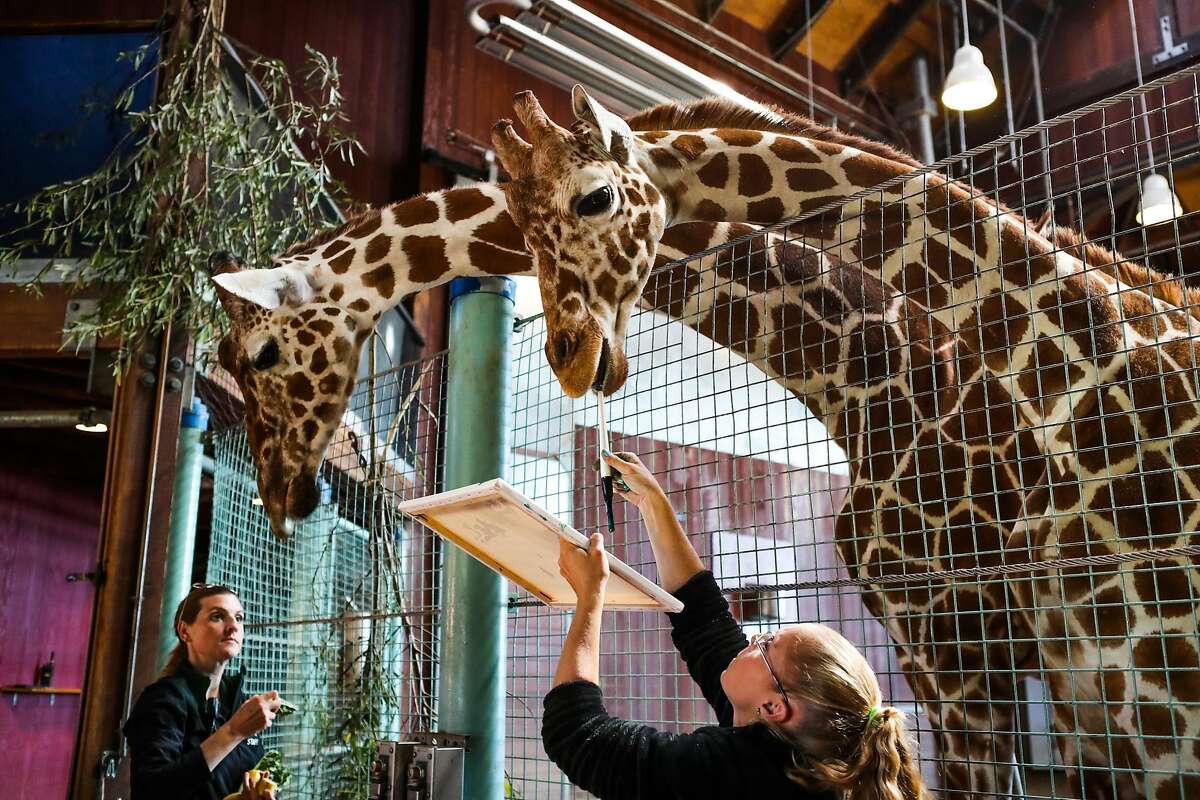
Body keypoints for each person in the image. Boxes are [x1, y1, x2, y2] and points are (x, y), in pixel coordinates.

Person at [543, 451, 928, 800]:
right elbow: (704, 622)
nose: (752, 638)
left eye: (766, 645)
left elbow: (577, 736)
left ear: (775, 706)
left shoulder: (735, 773)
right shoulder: (786, 747)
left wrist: (589, 596)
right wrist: (653, 502)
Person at [124, 583, 282, 800]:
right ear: (184, 631)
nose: (233, 626)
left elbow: (241, 777)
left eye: (239, 618)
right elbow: (152, 791)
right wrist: (232, 732)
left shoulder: (238, 702)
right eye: (218, 616)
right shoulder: (163, 700)